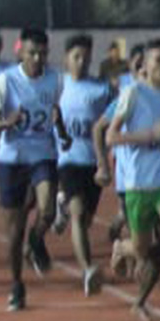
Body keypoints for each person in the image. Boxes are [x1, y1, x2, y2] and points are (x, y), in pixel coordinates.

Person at [104, 39, 160, 321]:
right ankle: (123, 247)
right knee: (142, 249)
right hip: (138, 184)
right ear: (144, 66)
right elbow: (111, 137)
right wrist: (147, 135)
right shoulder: (133, 94)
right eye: (159, 61)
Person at [0, 28, 64, 310]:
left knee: (47, 209)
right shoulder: (5, 81)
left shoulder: (56, 80)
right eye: (32, 52)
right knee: (14, 229)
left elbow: (58, 111)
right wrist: (6, 123)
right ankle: (16, 284)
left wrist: (61, 128)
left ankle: (36, 241)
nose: (38, 58)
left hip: (43, 154)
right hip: (11, 158)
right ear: (20, 51)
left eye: (43, 53)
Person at [56, 34, 113, 296]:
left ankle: (62, 205)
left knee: (86, 219)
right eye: (76, 56)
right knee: (78, 214)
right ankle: (88, 269)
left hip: (93, 162)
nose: (81, 61)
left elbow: (112, 123)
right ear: (66, 58)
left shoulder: (101, 90)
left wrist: (106, 161)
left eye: (86, 57)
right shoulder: (57, 86)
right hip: (66, 161)